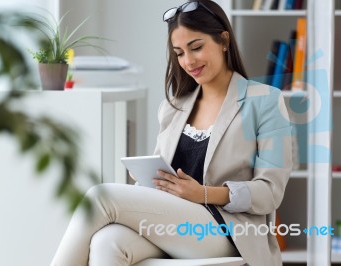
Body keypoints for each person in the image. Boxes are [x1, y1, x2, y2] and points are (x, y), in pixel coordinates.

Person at [50, 0, 293, 265]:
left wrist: (203, 194)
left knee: (101, 197)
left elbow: (270, 192)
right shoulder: (173, 107)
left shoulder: (265, 101)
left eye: (196, 47)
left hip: (229, 231)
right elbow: (162, 179)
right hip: (175, 226)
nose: (188, 61)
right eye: (179, 53)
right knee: (107, 241)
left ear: (224, 40)